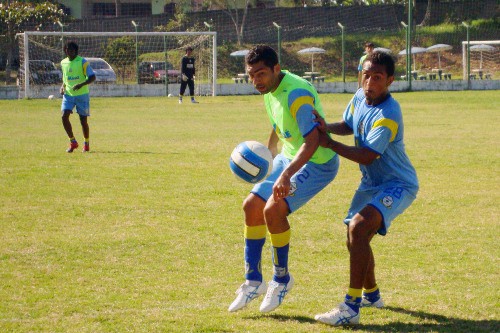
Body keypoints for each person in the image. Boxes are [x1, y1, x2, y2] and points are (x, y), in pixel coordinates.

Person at [228, 45, 339, 313]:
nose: (256, 80)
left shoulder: (297, 94)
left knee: (274, 209)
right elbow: (279, 121)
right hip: (289, 156)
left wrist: (286, 175)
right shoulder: (270, 88)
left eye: (261, 74)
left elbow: (312, 140)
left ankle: (281, 280)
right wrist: (270, 149)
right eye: (251, 74)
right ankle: (253, 281)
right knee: (251, 206)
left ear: (277, 69)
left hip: (318, 162)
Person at [313, 51, 419, 326]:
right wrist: (327, 126)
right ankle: (372, 295)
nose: (370, 82)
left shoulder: (389, 114)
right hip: (371, 183)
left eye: (377, 77)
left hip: (398, 184)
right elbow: (349, 124)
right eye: (366, 75)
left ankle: (350, 307)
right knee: (354, 237)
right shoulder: (361, 96)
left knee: (358, 229)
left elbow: (367, 155)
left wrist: (329, 143)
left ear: (390, 81)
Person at [60, 41, 96, 153]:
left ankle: (86, 143)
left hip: (82, 95)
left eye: (72, 50)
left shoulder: (82, 62)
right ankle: (73, 142)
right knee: (64, 116)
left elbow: (92, 77)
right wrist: (62, 86)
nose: (70, 52)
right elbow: (65, 77)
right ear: (65, 51)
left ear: (76, 51)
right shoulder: (63, 63)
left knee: (83, 121)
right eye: (68, 50)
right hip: (68, 95)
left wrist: (81, 84)